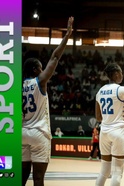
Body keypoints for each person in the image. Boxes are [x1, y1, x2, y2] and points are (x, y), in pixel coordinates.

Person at [22, 16, 73, 186]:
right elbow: (55, 57)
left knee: (21, 178)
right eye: (41, 67)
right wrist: (66, 36)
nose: (43, 69)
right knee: (38, 179)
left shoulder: (16, 86)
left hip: (22, 133)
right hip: (39, 132)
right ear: (36, 69)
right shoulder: (40, 81)